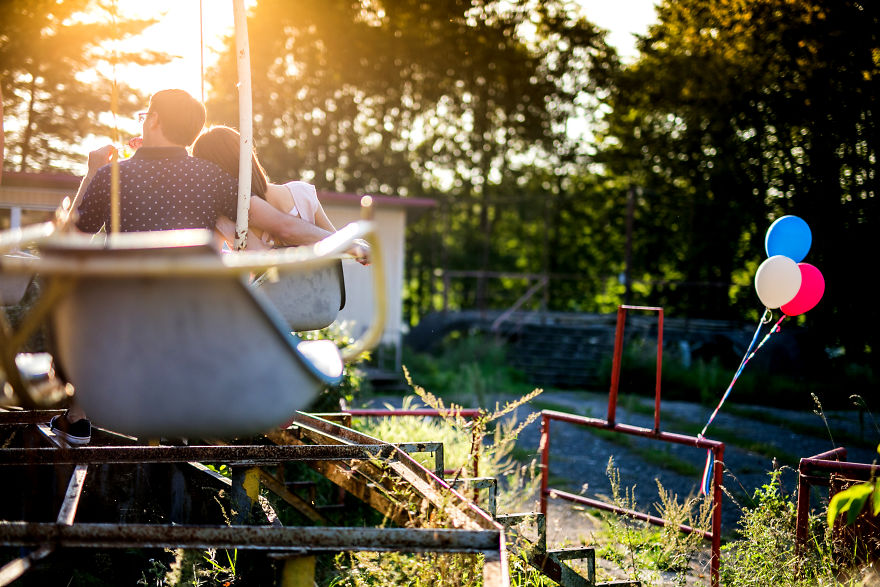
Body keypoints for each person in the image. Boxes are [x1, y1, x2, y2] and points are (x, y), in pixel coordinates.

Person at [49, 89, 340, 444]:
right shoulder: (213, 181)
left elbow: (66, 246)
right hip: (189, 332)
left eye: (146, 114)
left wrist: (93, 172)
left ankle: (77, 416)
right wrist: (347, 241)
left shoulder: (111, 177)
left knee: (76, 293)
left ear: (154, 120)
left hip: (119, 330)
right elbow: (283, 226)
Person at [191, 125, 368, 263]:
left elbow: (261, 269)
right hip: (321, 300)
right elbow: (338, 243)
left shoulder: (227, 219)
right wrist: (353, 245)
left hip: (266, 306)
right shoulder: (301, 193)